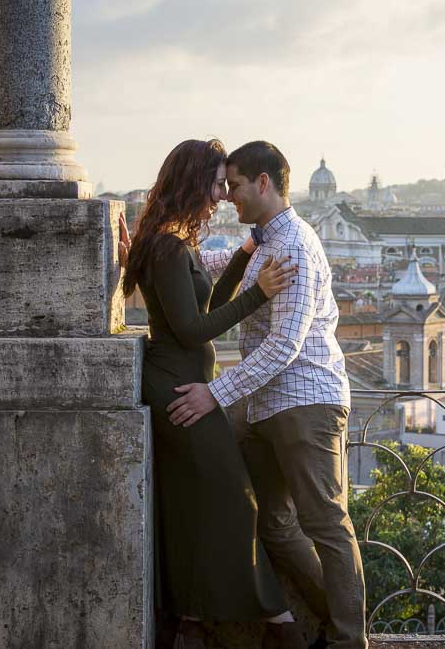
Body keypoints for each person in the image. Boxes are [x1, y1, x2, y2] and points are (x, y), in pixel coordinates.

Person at [167, 141, 367, 649]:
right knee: (273, 523)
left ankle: (349, 641)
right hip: (264, 406)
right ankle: (323, 620)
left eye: (233, 185)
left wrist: (214, 394)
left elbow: (285, 345)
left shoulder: (295, 244)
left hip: (306, 401)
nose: (227, 195)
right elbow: (205, 266)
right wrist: (146, 250)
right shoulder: (263, 243)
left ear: (263, 183)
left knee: (327, 522)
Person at [120, 139, 306, 649]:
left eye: (228, 184)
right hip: (179, 387)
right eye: (217, 182)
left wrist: (244, 258)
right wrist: (259, 293)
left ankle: (190, 622)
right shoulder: (166, 246)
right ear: (193, 181)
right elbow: (191, 329)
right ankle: (278, 622)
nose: (223, 195)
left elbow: (206, 301)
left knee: (192, 505)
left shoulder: (174, 241)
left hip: (186, 382)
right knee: (236, 501)